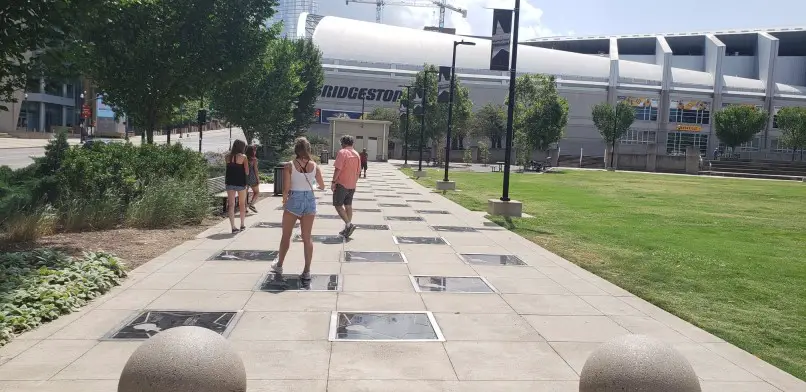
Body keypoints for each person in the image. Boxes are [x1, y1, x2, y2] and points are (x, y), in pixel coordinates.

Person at [272, 137, 326, 280]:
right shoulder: (315, 166)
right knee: (307, 237)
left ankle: (279, 265)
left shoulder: (289, 166)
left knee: (286, 236)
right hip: (309, 200)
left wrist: (285, 201)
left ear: (296, 149)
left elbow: (286, 188)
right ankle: (307, 271)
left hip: (294, 199)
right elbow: (322, 185)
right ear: (309, 149)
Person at [331, 135, 361, 238]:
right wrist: (354, 181)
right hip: (352, 184)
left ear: (343, 143)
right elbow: (358, 171)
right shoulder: (357, 154)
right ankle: (347, 228)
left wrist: (333, 181)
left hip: (342, 184)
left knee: (338, 205)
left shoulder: (342, 152)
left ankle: (349, 225)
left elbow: (338, 169)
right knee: (348, 205)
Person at [225, 139, 250, 234]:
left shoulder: (227, 156)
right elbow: (247, 171)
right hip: (240, 183)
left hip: (229, 183)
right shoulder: (243, 157)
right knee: (242, 204)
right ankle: (242, 224)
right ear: (242, 147)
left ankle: (233, 227)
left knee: (231, 205)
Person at [245, 145, 260, 213]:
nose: (255, 152)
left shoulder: (244, 158)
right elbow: (256, 170)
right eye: (255, 150)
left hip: (244, 178)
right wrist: (258, 179)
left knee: (244, 194)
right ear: (252, 151)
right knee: (256, 192)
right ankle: (252, 204)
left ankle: (245, 209)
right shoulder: (254, 159)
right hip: (252, 177)